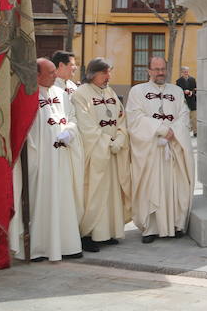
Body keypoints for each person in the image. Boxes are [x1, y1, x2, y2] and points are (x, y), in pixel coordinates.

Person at [9, 59, 84, 261]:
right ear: (36, 75)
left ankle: (67, 244)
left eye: (54, 72)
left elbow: (72, 117)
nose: (55, 75)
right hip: (40, 160)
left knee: (63, 198)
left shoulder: (61, 93)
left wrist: (69, 131)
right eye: (50, 72)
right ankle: (38, 248)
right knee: (40, 200)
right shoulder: (25, 97)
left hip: (61, 157)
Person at [125, 57, 194, 244]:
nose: (160, 72)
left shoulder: (177, 91)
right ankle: (150, 228)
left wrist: (174, 132)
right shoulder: (137, 91)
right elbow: (135, 118)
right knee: (151, 186)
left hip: (173, 147)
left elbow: (184, 115)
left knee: (174, 185)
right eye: (155, 69)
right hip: (151, 149)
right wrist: (161, 129)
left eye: (162, 69)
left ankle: (174, 224)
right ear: (148, 70)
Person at [71, 58, 131, 252]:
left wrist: (120, 139)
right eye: (105, 73)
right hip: (96, 154)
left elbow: (122, 118)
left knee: (111, 194)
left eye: (109, 73)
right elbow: (85, 125)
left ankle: (106, 233)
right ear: (92, 74)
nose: (109, 77)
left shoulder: (110, 92)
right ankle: (88, 234)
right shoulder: (81, 94)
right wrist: (107, 142)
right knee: (93, 194)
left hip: (112, 153)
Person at [175, 65, 198, 137]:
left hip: (192, 102)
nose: (186, 73)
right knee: (185, 118)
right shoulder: (178, 81)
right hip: (183, 102)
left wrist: (191, 92)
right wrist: (184, 91)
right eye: (185, 72)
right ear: (182, 72)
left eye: (187, 71)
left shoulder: (193, 79)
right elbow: (177, 92)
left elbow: (195, 89)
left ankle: (195, 132)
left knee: (194, 117)